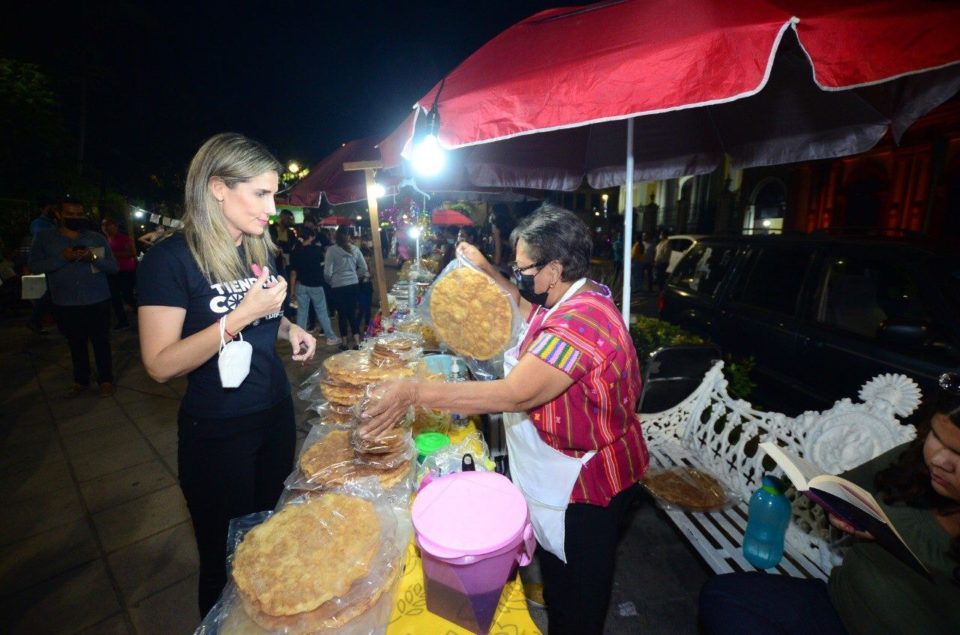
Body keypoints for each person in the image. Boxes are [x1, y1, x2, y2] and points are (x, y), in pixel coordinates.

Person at [360, 205, 648, 635]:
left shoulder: (580, 324)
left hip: (590, 483)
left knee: (579, 597)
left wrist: (414, 392)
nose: (519, 275)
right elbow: (526, 312)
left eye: (523, 267)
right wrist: (487, 270)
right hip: (562, 471)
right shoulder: (571, 296)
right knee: (557, 575)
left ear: (553, 268)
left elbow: (514, 394)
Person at [136, 133, 316, 616]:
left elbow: (264, 315)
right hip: (217, 429)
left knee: (268, 541)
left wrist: (289, 327)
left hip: (275, 413)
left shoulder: (259, 249)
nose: (272, 207)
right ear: (217, 187)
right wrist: (238, 316)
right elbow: (159, 363)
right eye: (260, 193)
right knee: (224, 560)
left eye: (274, 194)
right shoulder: (170, 259)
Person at [699, 372, 960, 635]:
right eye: (936, 436)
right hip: (839, 603)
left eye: (959, 453)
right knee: (722, 595)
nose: (940, 460)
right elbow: (848, 487)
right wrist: (841, 507)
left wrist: (892, 529)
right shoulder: (913, 459)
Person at [28, 199, 119, 396]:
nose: (76, 218)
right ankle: (81, 380)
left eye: (79, 215)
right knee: (75, 343)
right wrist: (63, 258)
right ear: (59, 215)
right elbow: (35, 266)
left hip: (97, 298)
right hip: (66, 301)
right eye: (70, 214)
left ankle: (106, 379)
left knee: (101, 342)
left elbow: (113, 267)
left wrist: (92, 258)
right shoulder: (45, 238)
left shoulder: (96, 238)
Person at [288, 226, 339, 346]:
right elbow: (324, 266)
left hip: (301, 286)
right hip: (316, 285)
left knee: (302, 313)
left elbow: (293, 273)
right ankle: (331, 337)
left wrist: (292, 291)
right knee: (322, 312)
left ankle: (300, 341)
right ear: (311, 237)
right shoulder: (317, 250)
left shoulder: (295, 251)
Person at [324, 225, 367, 350]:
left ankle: (344, 343)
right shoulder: (355, 249)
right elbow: (363, 268)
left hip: (338, 286)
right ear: (349, 236)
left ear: (336, 236)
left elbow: (327, 272)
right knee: (352, 313)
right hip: (353, 285)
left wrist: (331, 281)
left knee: (342, 314)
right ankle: (357, 342)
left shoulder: (331, 250)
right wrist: (355, 277)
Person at [101, 217, 138, 329]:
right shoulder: (105, 240)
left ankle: (141, 313)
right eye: (104, 226)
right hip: (112, 271)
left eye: (109, 225)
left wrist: (111, 255)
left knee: (127, 296)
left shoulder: (123, 238)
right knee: (115, 298)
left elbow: (131, 253)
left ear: (115, 226)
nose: (106, 228)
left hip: (125, 270)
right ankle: (122, 321)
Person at [269, 208, 298, 276]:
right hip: (275, 257)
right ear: (283, 217)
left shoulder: (291, 230)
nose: (290, 221)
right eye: (288, 218)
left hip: (287, 257)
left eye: (291, 219)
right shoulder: (272, 228)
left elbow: (292, 245)